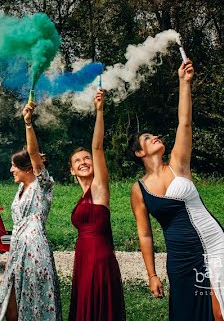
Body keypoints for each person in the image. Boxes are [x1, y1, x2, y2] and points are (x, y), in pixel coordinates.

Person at [130, 60, 224, 320]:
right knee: (188, 312)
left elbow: (185, 123)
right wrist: (151, 274)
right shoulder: (138, 190)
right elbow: (145, 235)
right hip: (180, 257)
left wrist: (185, 83)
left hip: (214, 244)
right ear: (139, 152)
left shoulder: (178, 164)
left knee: (220, 312)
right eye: (148, 138)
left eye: (155, 135)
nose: (155, 137)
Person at [0, 101, 61, 321]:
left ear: (29, 168)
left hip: (35, 249)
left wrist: (28, 123)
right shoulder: (21, 187)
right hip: (18, 247)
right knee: (10, 300)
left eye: (14, 166)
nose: (11, 169)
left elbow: (33, 152)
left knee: (35, 299)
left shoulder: (43, 184)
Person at [68, 89, 125, 321]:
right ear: (72, 171)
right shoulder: (81, 197)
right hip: (82, 257)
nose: (83, 162)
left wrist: (99, 111)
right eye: (77, 161)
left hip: (98, 257)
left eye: (86, 158)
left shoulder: (100, 187)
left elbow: (98, 147)